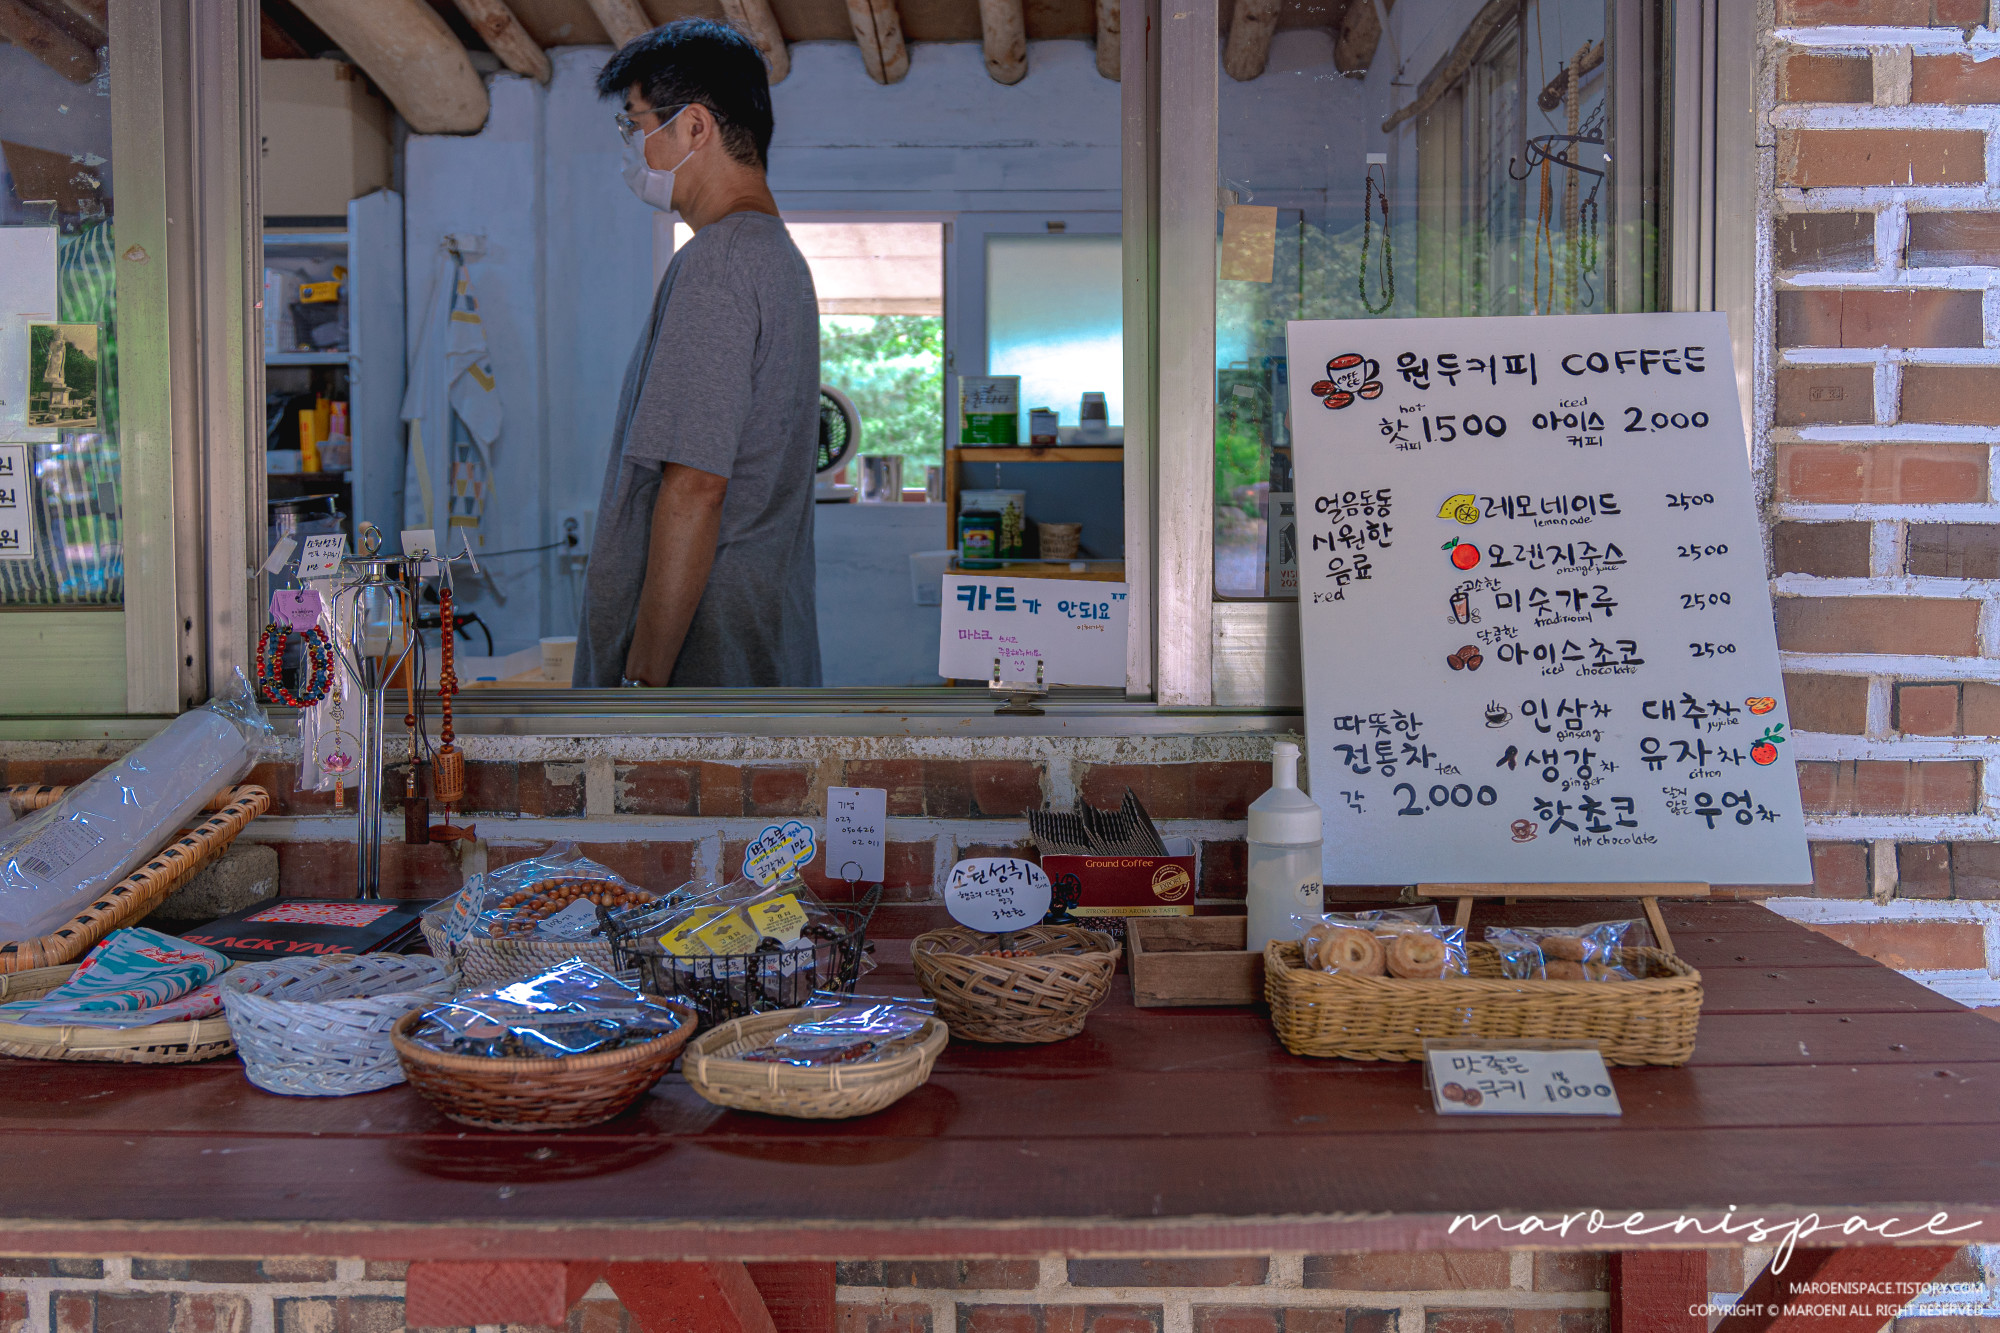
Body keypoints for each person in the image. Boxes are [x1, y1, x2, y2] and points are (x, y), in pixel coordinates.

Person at [574, 19, 822, 688]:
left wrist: (644, 684)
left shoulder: (720, 262)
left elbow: (696, 486)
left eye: (635, 123)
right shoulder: (777, 257)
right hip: (752, 643)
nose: (632, 146)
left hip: (697, 671)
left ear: (693, 127)